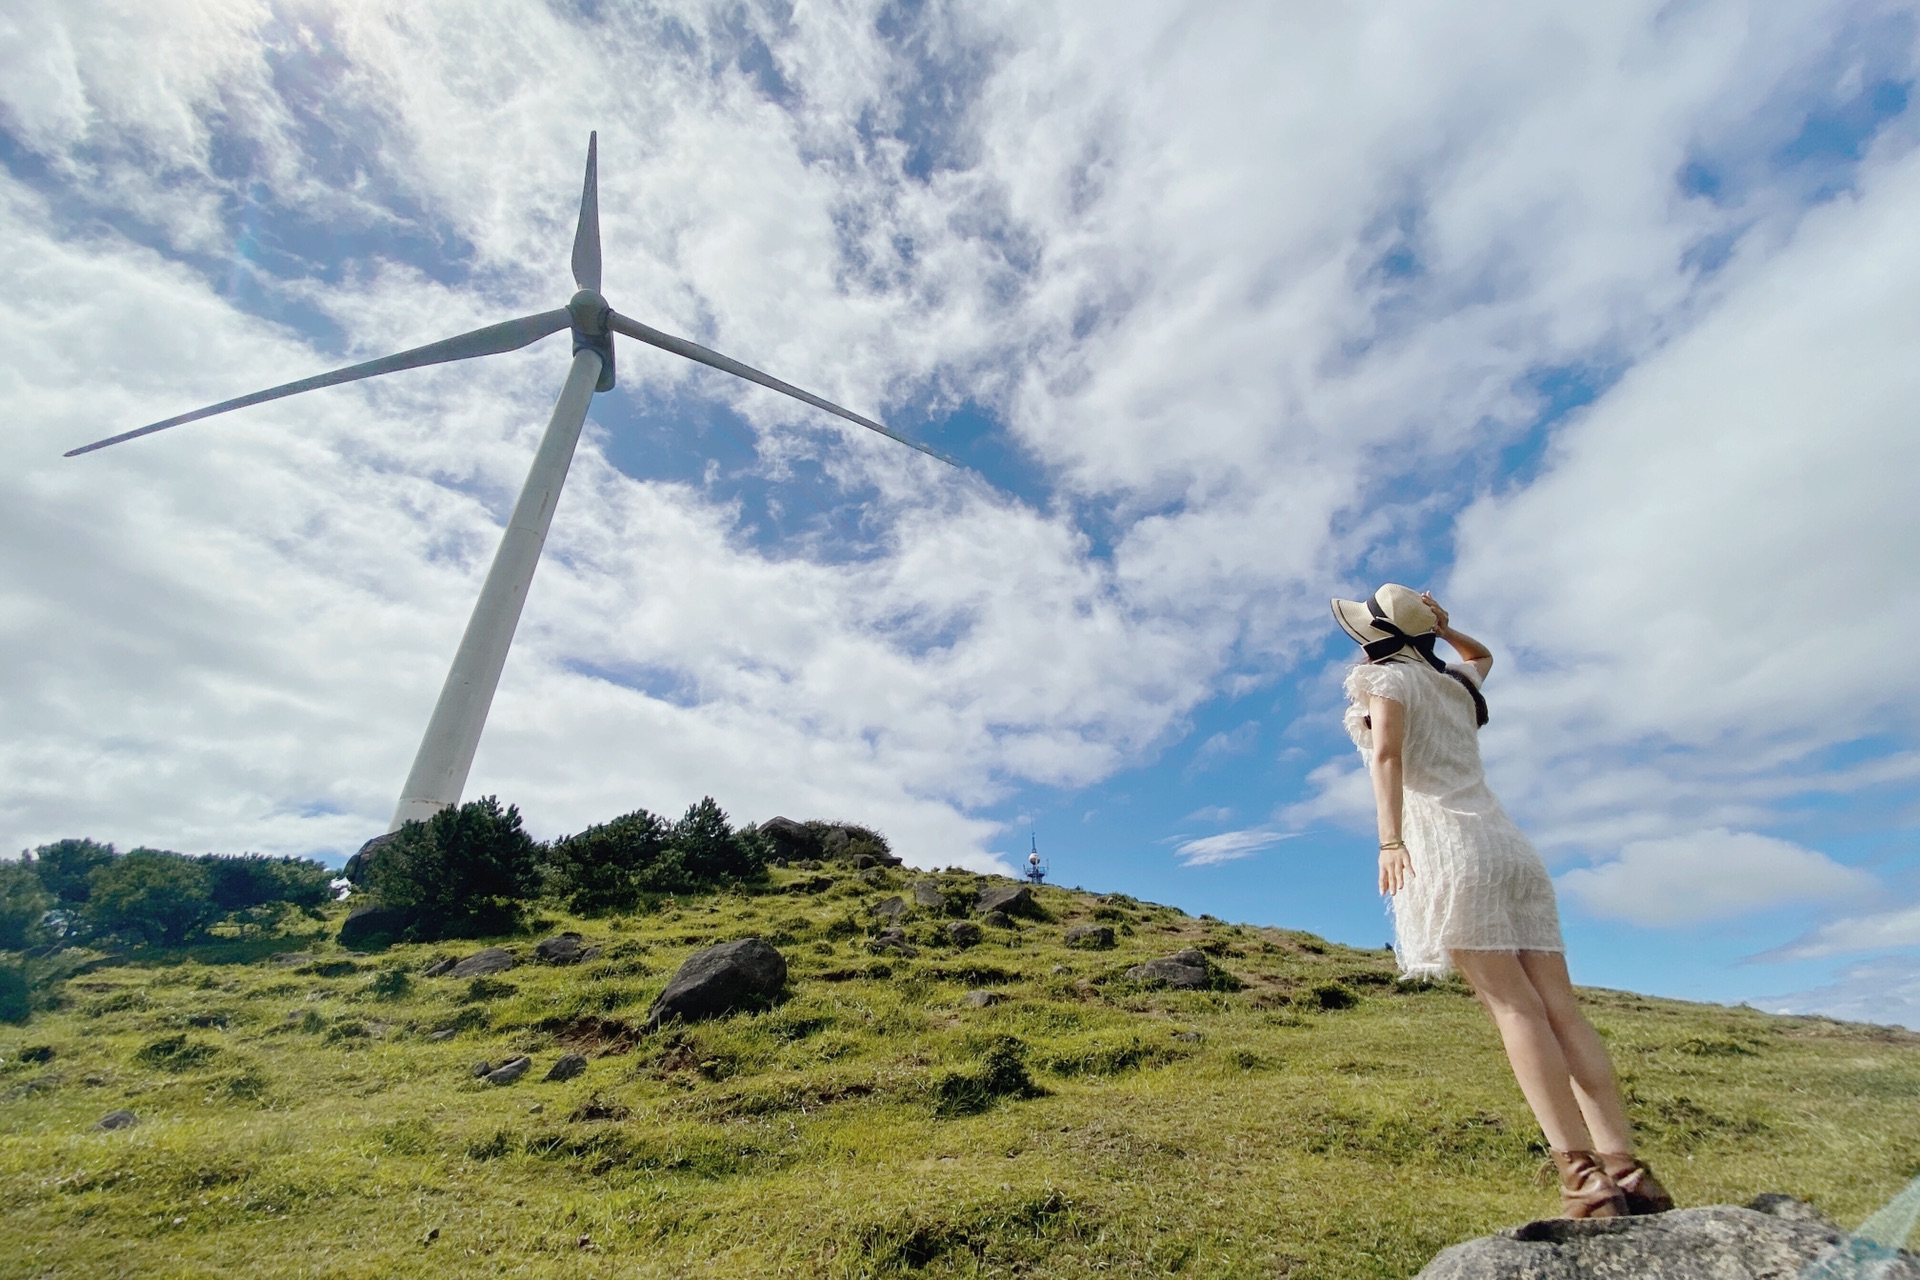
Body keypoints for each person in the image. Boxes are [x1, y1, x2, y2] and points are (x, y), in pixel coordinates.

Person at [1330, 583, 1673, 1220]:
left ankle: (1582, 1179)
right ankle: (1626, 1169)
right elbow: (1483, 655)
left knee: (1515, 1010)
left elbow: (1386, 753)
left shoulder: (1384, 681)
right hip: (1512, 848)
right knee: (1562, 1011)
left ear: (1375, 638)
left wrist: (1389, 840)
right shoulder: (1458, 684)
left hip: (1457, 848)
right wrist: (1447, 629)